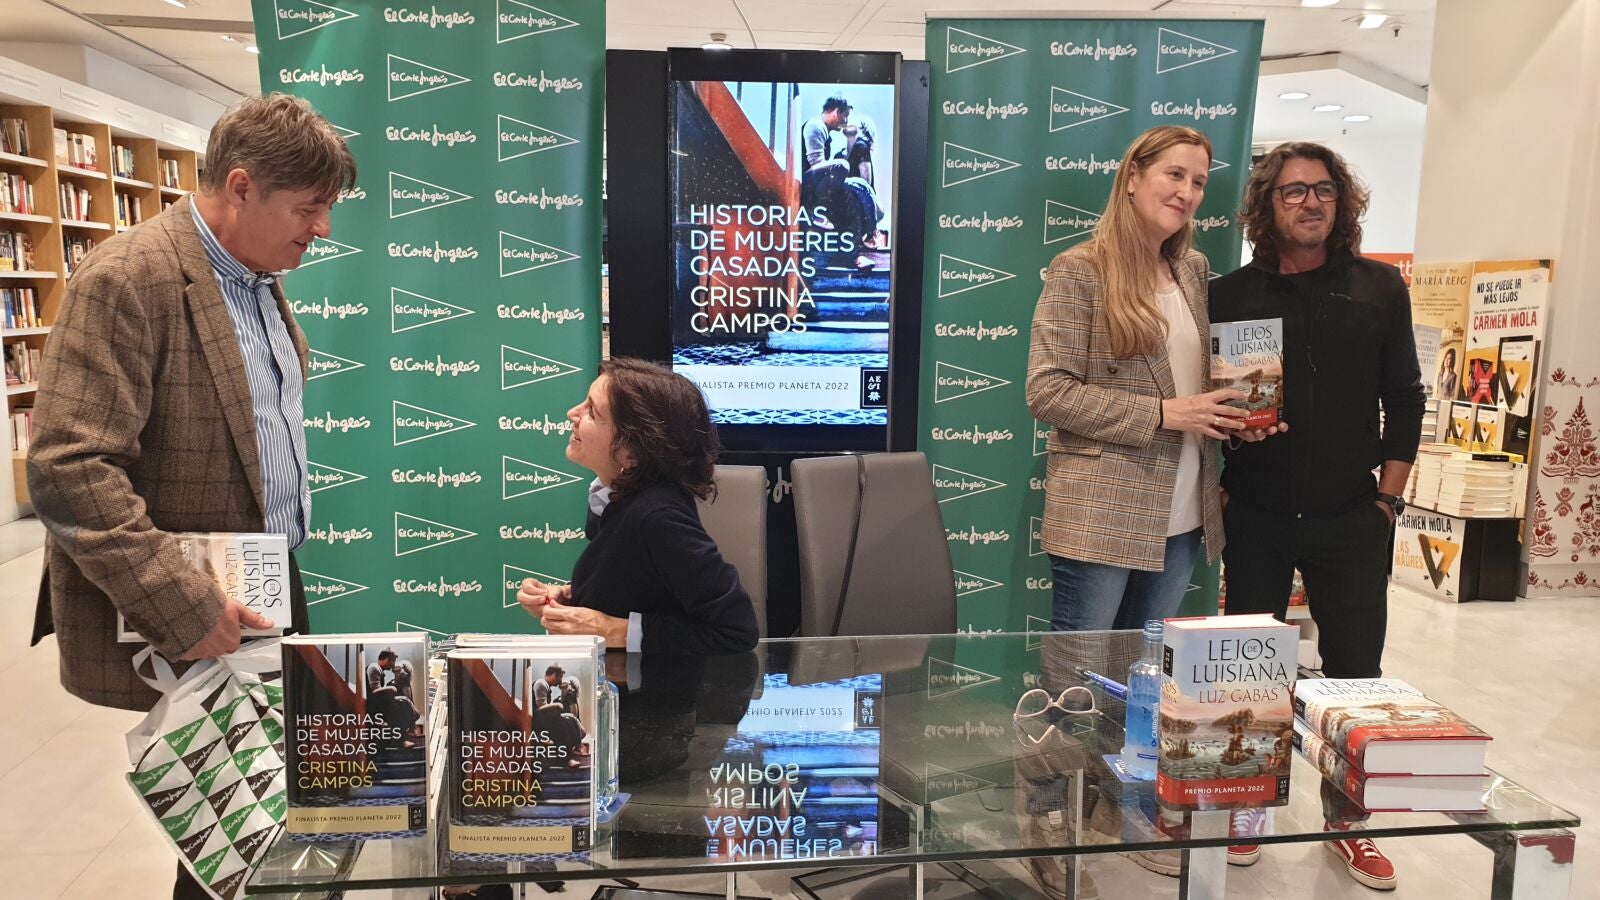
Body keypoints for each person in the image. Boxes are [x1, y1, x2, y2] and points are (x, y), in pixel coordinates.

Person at [25, 92, 354, 900]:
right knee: (234, 827)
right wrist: (181, 603)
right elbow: (69, 466)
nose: (322, 229)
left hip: (264, 583)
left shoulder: (255, 276)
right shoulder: (128, 278)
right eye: (308, 209)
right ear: (240, 187)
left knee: (269, 819)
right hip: (200, 598)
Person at [1210, 141, 1425, 891]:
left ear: (1343, 201)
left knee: (1357, 675)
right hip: (1258, 513)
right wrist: (1229, 464)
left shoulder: (1379, 287)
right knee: (1248, 675)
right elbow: (1215, 402)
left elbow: (1405, 397)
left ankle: (1348, 825)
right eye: (1294, 190)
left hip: (1350, 515)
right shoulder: (1231, 294)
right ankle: (1244, 808)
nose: (1311, 202)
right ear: (1267, 204)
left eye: (1324, 190)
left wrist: (1387, 499)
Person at [1026, 125, 1246, 635]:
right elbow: (1048, 390)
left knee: (1146, 668)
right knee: (1078, 673)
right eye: (1175, 174)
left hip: (1185, 512)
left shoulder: (1193, 269)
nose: (1187, 192)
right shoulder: (1079, 270)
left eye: (1198, 182)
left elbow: (1195, 381)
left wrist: (1235, 416)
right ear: (1132, 177)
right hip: (1101, 513)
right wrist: (1165, 414)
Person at [516, 358, 759, 654]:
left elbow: (737, 630)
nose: (572, 414)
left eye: (592, 412)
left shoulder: (658, 517)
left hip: (663, 684)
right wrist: (569, 597)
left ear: (631, 453)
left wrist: (613, 631)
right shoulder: (616, 499)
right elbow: (643, 591)